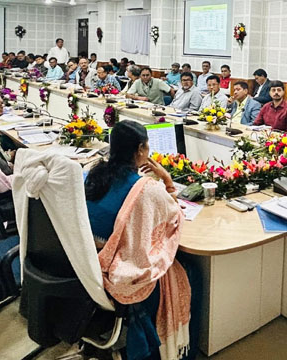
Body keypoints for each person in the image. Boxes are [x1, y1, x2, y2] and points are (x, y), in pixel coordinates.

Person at [84, 120, 198, 360]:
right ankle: (183, 349)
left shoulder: (94, 173)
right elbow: (174, 216)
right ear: (140, 150)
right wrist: (167, 180)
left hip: (90, 261)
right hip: (119, 268)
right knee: (189, 273)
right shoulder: (146, 188)